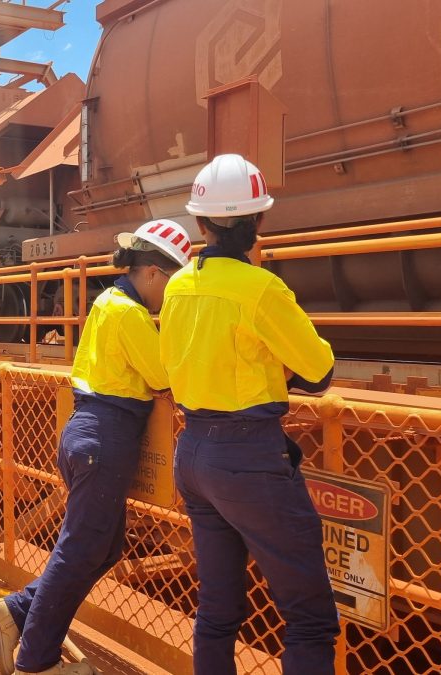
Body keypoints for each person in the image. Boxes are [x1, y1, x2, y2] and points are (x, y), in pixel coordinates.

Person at [0, 221, 193, 675]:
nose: (173, 293)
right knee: (80, 549)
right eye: (174, 281)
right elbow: (163, 377)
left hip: (89, 430)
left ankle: (17, 610)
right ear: (154, 272)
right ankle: (37, 661)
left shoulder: (107, 302)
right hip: (106, 437)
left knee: (105, 547)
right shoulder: (130, 314)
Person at [161, 154, 338, 674]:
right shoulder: (261, 289)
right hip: (249, 457)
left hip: (192, 451)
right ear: (259, 221)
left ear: (201, 223)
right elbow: (320, 368)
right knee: (308, 617)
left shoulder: (177, 286)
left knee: (218, 607)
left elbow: (183, 362)